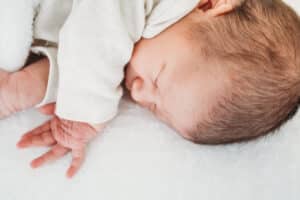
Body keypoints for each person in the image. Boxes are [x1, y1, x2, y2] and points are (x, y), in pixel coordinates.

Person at [1, 0, 300, 178]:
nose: (139, 93)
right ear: (211, 5)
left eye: (155, 109)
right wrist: (85, 113)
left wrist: (28, 87)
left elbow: (80, 52)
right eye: (159, 78)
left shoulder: (142, 47)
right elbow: (97, 33)